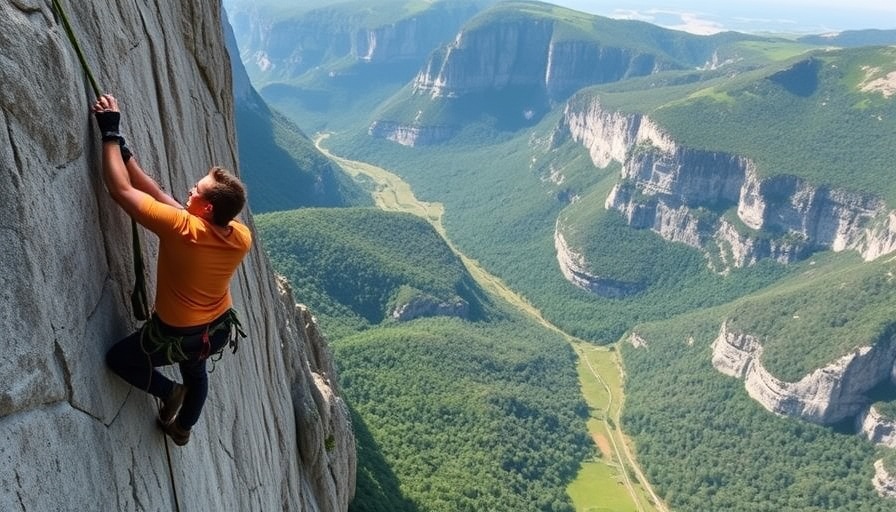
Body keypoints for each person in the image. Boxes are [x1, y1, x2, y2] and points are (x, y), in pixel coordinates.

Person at [93, 94, 252, 446]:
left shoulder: (183, 230)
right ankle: (181, 429)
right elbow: (165, 200)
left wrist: (108, 132)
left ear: (207, 209)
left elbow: (119, 190)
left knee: (120, 359)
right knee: (196, 371)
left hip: (174, 335)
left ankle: (167, 392)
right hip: (217, 329)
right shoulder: (239, 236)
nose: (189, 190)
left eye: (196, 190)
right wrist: (126, 154)